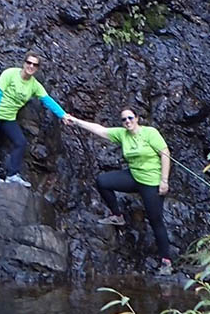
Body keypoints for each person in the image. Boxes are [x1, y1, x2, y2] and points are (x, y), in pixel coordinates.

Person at [67, 108, 172, 275]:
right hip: (133, 176)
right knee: (103, 181)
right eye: (124, 120)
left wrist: (164, 181)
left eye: (130, 118)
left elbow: (165, 153)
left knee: (155, 220)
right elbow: (99, 129)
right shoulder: (122, 134)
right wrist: (75, 121)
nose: (127, 121)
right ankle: (117, 216)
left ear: (137, 118)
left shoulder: (150, 133)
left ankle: (166, 261)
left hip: (151, 181)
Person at [0, 50, 68, 187]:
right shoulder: (10, 73)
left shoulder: (34, 85)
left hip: (8, 117)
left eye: (35, 65)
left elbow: (47, 100)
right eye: (29, 62)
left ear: (37, 68)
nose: (31, 66)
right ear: (24, 63)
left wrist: (62, 115)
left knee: (20, 142)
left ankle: (12, 175)